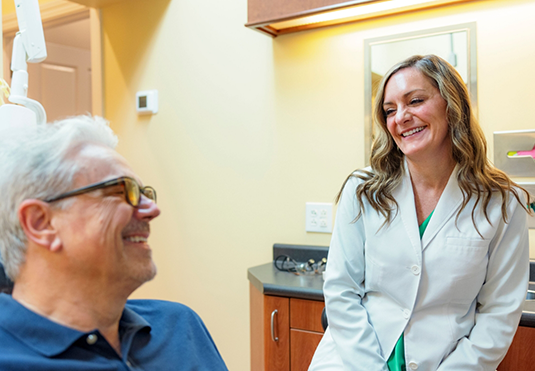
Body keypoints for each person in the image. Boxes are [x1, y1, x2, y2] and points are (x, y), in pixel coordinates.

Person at [309, 54, 530, 370]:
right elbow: (341, 290)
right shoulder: (363, 190)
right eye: (390, 110)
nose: (401, 117)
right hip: (353, 361)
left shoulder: (502, 202)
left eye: (415, 101)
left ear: (451, 106)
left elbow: (499, 312)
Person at [0, 116, 228, 371]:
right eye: (124, 191)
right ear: (41, 223)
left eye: (146, 194)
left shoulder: (181, 326)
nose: (152, 209)